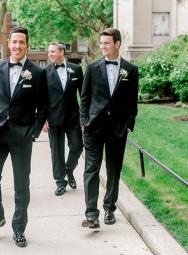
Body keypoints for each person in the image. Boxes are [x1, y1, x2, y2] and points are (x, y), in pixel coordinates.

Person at [0, 26, 48, 247]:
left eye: (21, 42)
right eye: (14, 42)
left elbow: (44, 106)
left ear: (26, 44)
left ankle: (18, 229)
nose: (17, 46)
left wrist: (34, 131)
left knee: (21, 185)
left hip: (21, 135)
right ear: (8, 43)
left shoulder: (37, 72)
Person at [80, 28, 139, 228]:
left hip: (118, 128)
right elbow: (85, 97)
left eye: (106, 43)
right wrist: (84, 121)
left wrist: (129, 124)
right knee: (91, 169)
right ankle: (91, 214)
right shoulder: (93, 67)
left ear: (117, 44)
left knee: (114, 170)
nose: (102, 47)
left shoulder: (131, 70)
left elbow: (132, 101)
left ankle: (109, 209)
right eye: (101, 43)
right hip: (94, 127)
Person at [43, 41, 84, 196]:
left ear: (61, 52)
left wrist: (84, 117)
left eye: (52, 52)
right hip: (53, 118)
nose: (50, 55)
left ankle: (68, 169)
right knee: (57, 152)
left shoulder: (76, 69)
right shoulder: (45, 72)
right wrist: (43, 119)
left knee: (78, 146)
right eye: (49, 52)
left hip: (73, 117)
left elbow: (84, 94)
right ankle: (60, 182)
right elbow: (41, 98)